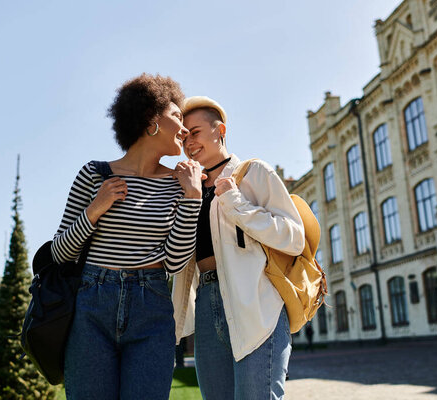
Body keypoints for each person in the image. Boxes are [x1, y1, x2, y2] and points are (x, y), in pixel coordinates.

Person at [52, 74, 203, 400]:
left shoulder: (179, 185)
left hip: (152, 308)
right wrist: (95, 209)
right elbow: (59, 253)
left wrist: (192, 198)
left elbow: (176, 263)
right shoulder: (94, 174)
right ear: (151, 118)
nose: (185, 129)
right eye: (177, 116)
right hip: (91, 308)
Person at [172, 96, 305, 399]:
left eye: (196, 132)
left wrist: (236, 203)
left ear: (220, 130)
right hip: (206, 302)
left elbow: (294, 238)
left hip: (256, 302)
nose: (189, 143)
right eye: (183, 136)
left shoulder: (254, 172)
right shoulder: (189, 189)